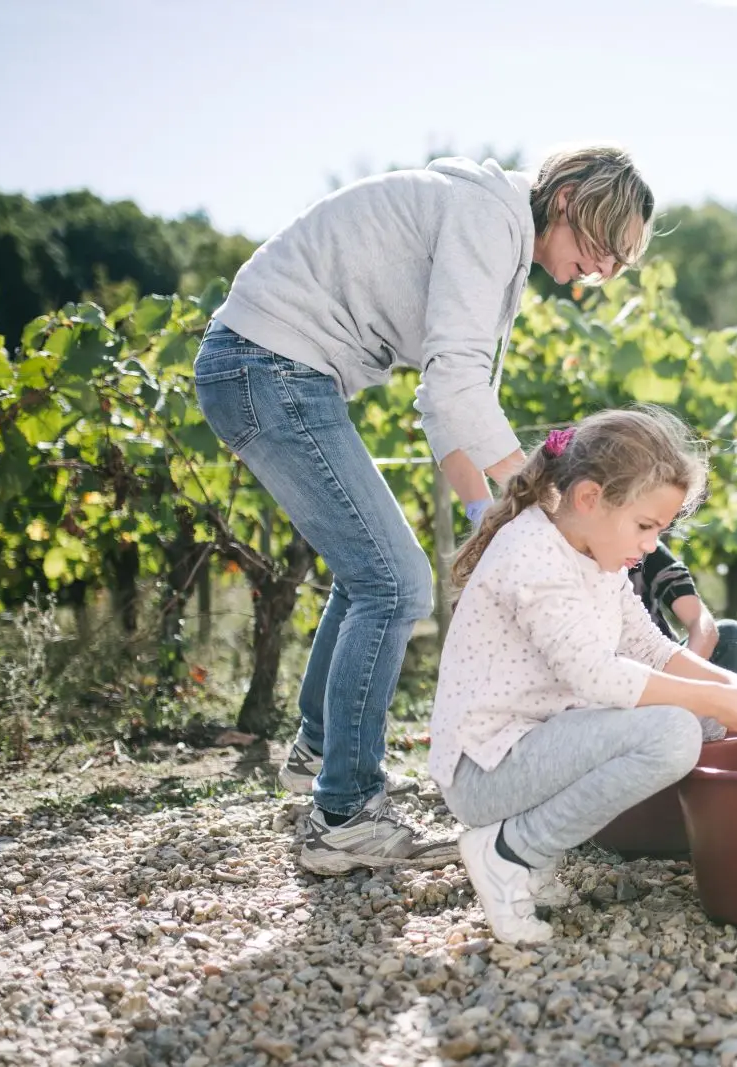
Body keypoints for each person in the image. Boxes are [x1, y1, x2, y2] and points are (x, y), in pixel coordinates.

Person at [192, 145, 656, 875]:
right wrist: (540, 502)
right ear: (564, 199)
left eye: (613, 264)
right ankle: (343, 815)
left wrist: (489, 512)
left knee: (369, 572)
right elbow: (456, 395)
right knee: (397, 583)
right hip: (268, 365)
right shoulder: (487, 218)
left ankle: (319, 750)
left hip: (268, 366)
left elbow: (446, 408)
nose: (598, 272)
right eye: (600, 247)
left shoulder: (498, 246)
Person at [428, 409, 737, 943]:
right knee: (676, 732)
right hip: (486, 769)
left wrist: (732, 688)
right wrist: (713, 699)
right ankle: (511, 852)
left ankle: (535, 856)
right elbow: (596, 676)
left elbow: (646, 646)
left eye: (659, 531)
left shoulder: (595, 554)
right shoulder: (533, 555)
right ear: (589, 498)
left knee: (709, 722)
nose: (649, 545)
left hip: (541, 744)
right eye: (645, 527)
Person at [629, 545, 737, 677]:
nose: (649, 542)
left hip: (667, 665)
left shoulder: (647, 548)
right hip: (622, 679)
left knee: (731, 634)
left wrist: (684, 671)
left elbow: (700, 619)